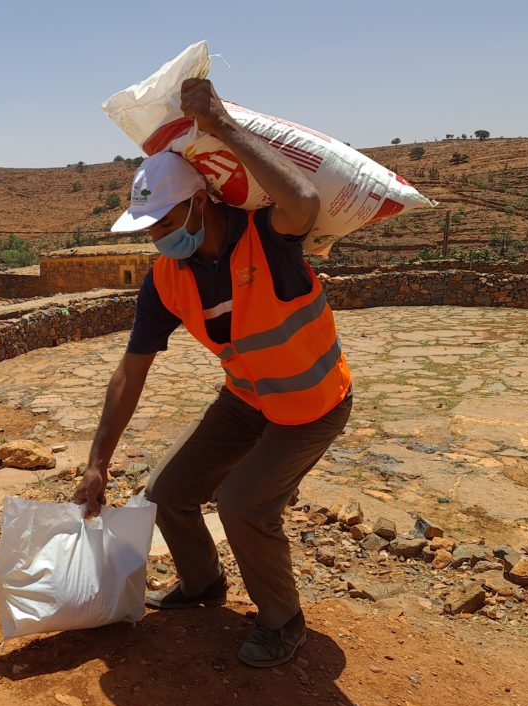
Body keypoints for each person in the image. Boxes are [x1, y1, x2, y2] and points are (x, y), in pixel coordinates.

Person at [74, 79, 352, 668]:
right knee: (168, 492)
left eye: (162, 220)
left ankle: (284, 623)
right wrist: (98, 460)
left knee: (244, 505)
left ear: (200, 203)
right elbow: (131, 371)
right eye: (147, 227)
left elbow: (301, 200)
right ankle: (203, 585)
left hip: (312, 405)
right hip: (247, 400)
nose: (155, 237)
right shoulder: (166, 278)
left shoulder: (266, 239)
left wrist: (222, 125)